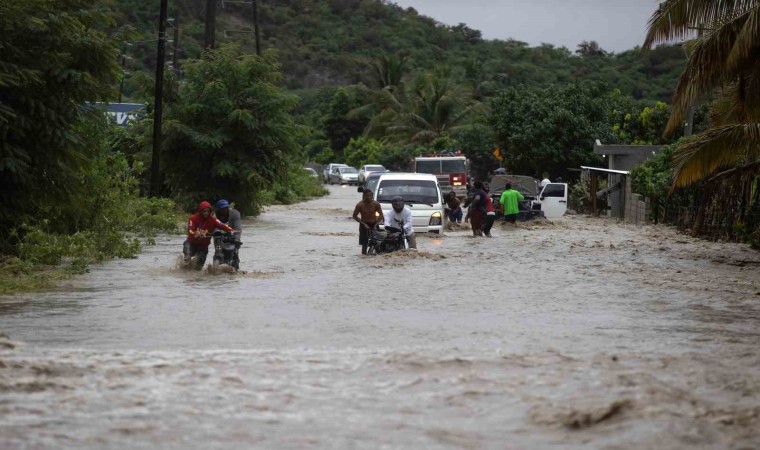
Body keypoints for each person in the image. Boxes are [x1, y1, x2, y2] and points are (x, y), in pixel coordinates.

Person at [184, 201, 235, 269]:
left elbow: (222, 225)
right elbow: (190, 230)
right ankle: (184, 269)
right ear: (200, 211)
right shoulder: (193, 218)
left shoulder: (213, 220)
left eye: (208, 211)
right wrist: (196, 233)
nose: (206, 213)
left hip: (203, 247)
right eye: (204, 211)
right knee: (187, 256)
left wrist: (232, 230)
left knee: (197, 268)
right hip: (191, 243)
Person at [352, 189, 384, 254]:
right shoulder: (360, 205)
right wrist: (364, 224)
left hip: (374, 223)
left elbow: (381, 215)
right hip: (364, 224)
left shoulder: (376, 204)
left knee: (378, 243)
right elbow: (354, 216)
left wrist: (376, 225)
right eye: (367, 196)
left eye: (371, 196)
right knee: (364, 244)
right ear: (364, 196)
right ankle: (364, 258)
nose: (369, 197)